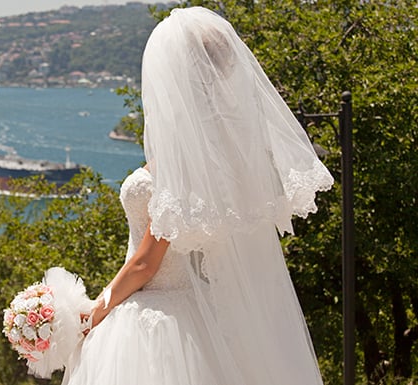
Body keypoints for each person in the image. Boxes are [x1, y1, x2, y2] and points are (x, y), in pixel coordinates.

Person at [62, 7, 334, 385]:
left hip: (154, 318)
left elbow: (146, 263)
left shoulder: (185, 160)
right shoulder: (224, 151)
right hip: (196, 315)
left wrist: (93, 314)